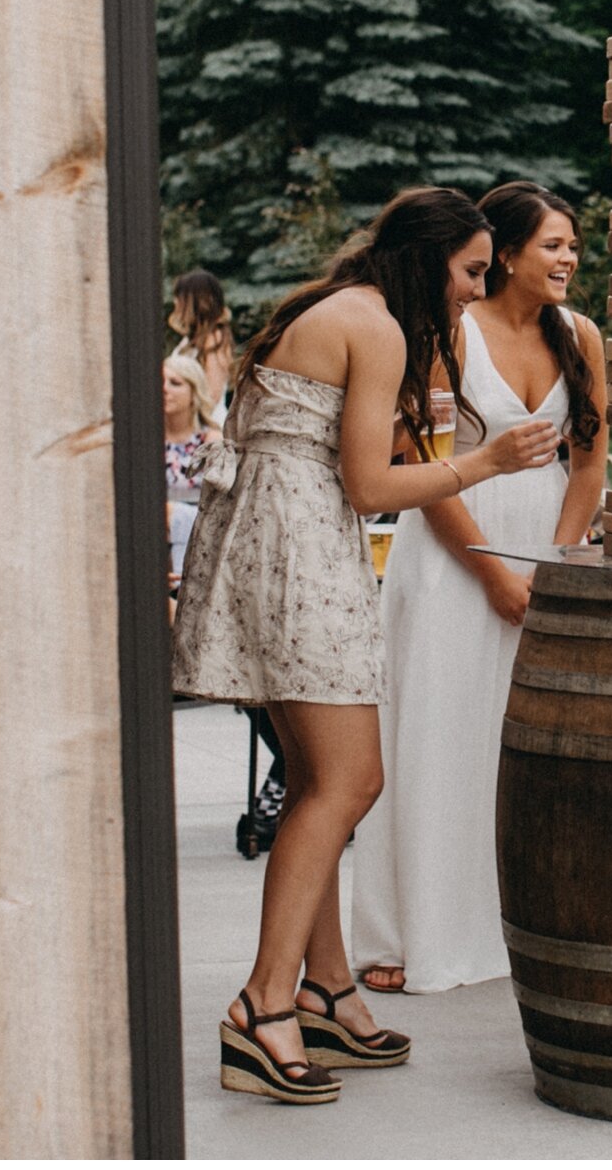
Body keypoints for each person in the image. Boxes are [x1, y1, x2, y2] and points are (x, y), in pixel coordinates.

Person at [171, 188, 561, 1106]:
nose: (475, 289)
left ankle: (324, 988)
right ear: (428, 260)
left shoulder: (330, 308)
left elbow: (339, 444)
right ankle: (262, 1007)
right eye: (469, 271)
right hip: (303, 552)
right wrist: (486, 461)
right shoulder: (376, 324)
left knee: (317, 783)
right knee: (351, 783)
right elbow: (369, 486)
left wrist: (423, 425)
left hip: (268, 543)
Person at [351, 183, 606, 996]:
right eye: (554, 246)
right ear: (508, 254)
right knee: (440, 739)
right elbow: (415, 458)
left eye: (573, 246)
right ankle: (415, 929)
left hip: (546, 549)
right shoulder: (448, 333)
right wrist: (494, 575)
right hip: (454, 551)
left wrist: (557, 565)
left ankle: (515, 919)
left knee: (522, 747)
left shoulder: (583, 336)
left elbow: (591, 459)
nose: (569, 259)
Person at [164, 352, 223, 577]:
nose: (165, 388)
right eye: (160, 382)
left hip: (199, 535)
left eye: (175, 383)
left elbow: (220, 504)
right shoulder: (146, 439)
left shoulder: (211, 441)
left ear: (193, 393)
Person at [170, 268, 238, 425]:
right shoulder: (189, 339)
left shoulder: (214, 339)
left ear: (194, 300)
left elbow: (212, 394)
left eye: (179, 297)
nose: (175, 302)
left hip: (205, 425)